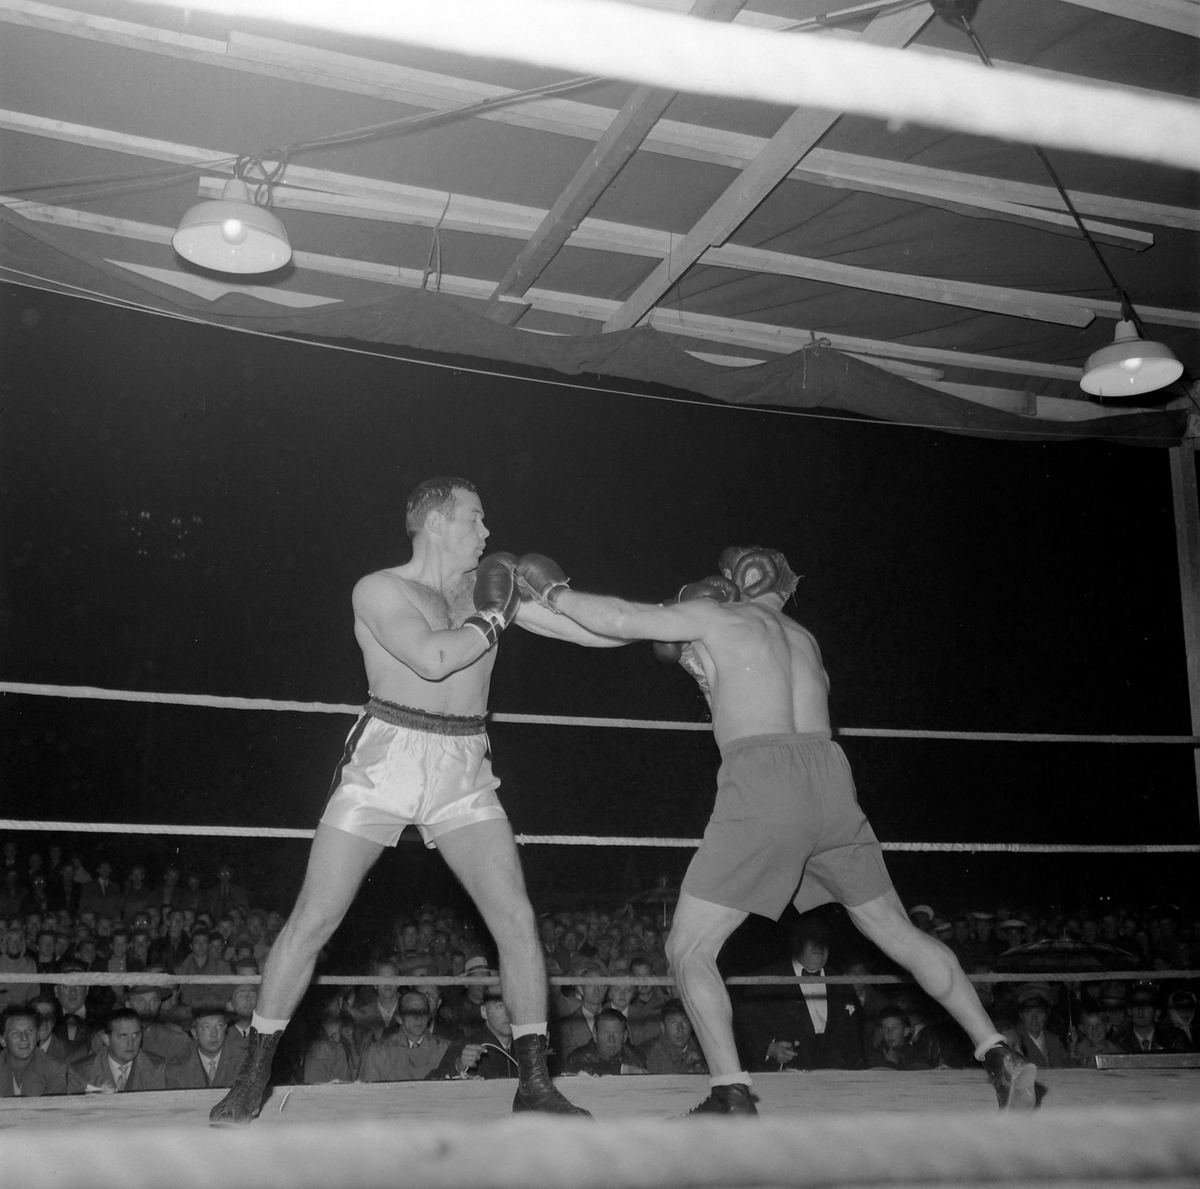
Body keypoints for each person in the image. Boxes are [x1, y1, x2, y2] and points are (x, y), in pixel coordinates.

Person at [546, 543, 1037, 1114]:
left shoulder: (718, 616)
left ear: (740, 578)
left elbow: (618, 620)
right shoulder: (805, 639)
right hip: (831, 780)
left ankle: (730, 1092)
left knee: (688, 947)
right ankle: (998, 1053)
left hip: (765, 777)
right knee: (898, 932)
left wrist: (552, 594)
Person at [209, 477, 619, 1126]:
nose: (487, 532)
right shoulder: (379, 589)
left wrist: (686, 624)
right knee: (314, 917)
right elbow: (432, 659)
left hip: (464, 763)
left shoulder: (487, 586)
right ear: (435, 522)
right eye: (475, 518)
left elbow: (592, 632)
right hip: (388, 755)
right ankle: (252, 1075)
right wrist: (496, 614)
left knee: (516, 918)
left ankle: (535, 1081)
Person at [734, 914, 865, 1072]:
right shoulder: (768, 980)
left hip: (835, 1074)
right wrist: (770, 1048)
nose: (819, 947)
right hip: (787, 1073)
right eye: (813, 940)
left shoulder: (842, 984)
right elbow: (743, 1025)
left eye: (823, 942)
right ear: (798, 944)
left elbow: (856, 1040)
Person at [0, 1004, 67, 1096]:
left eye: (30, 1031)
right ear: (2, 1040)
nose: (24, 1038)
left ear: (38, 1035)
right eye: (16, 1033)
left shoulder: (54, 1069)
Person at [642, 999, 709, 1075]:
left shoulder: (706, 1052)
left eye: (684, 1021)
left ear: (691, 1025)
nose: (680, 1029)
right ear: (663, 1027)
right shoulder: (646, 1055)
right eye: (673, 1022)